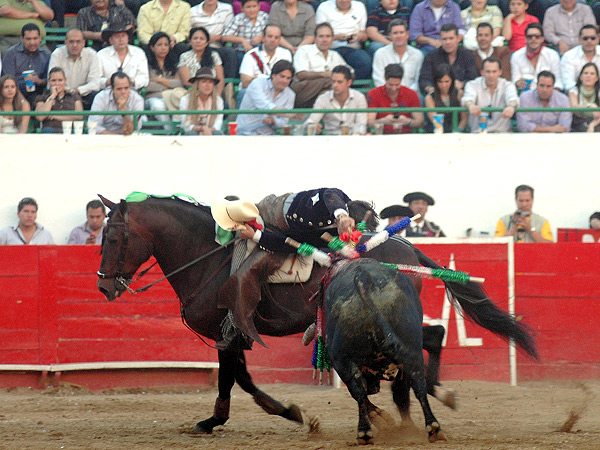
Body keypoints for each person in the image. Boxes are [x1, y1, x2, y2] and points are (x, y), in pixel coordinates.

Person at [211, 188, 355, 347]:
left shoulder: (331, 236)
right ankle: (236, 327)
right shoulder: (333, 204)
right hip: (271, 212)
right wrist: (341, 215)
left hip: (277, 224)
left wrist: (255, 236)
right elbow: (330, 193)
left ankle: (239, 328)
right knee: (245, 271)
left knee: (245, 273)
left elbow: (290, 243)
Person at [291, 22, 348, 108]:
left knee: (331, 88)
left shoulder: (335, 55)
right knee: (331, 82)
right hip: (304, 93)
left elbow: (349, 72)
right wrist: (324, 75)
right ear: (315, 38)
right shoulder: (304, 50)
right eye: (321, 36)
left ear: (332, 39)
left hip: (326, 92)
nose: (324, 40)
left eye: (328, 36)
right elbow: (301, 75)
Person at [303, 64, 368, 135]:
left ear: (349, 82)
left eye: (339, 82)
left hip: (353, 138)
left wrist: (355, 137)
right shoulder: (323, 98)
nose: (335, 85)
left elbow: (361, 124)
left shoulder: (359, 97)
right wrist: (312, 126)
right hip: (330, 138)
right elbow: (312, 120)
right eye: (333, 81)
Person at [315, 0, 371, 80]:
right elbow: (319, 33)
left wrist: (359, 36)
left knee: (365, 62)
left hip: (353, 48)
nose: (344, 1)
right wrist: (335, 37)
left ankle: (350, 84)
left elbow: (364, 35)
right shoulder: (324, 7)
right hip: (330, 48)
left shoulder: (359, 6)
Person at [237, 59, 295, 135]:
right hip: (245, 134)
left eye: (288, 78)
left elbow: (284, 122)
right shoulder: (257, 84)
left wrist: (274, 121)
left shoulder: (291, 94)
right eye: (282, 76)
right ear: (273, 75)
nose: (285, 81)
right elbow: (265, 105)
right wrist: (290, 114)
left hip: (269, 136)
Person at [48, 28, 101, 110]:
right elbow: (52, 80)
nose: (75, 45)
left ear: (83, 43)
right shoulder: (57, 54)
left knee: (96, 95)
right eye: (71, 42)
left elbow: (95, 84)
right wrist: (66, 91)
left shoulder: (91, 54)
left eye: (78, 41)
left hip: (84, 95)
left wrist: (76, 90)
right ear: (65, 42)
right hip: (62, 94)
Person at [419, 23, 478, 96]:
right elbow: (424, 80)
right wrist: (431, 90)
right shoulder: (431, 56)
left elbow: (473, 78)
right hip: (437, 95)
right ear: (440, 40)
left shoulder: (468, 55)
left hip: (462, 94)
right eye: (444, 39)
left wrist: (462, 84)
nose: (448, 42)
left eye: (451, 38)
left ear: (458, 38)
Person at [462, 57, 518, 133]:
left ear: (500, 72)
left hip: (502, 134)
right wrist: (471, 106)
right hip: (478, 134)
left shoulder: (508, 85)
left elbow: (513, 99)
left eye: (494, 72)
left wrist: (511, 106)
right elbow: (468, 98)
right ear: (482, 72)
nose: (491, 75)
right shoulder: (472, 84)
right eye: (488, 72)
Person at [1, 23, 50, 106]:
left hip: (37, 93)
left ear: (40, 38)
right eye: (28, 39)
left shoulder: (46, 55)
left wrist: (39, 81)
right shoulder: (11, 53)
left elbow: (50, 80)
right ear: (22, 38)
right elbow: (7, 79)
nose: (32, 42)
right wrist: (22, 100)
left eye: (35, 38)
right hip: (14, 93)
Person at [367, 63, 424, 134]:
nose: (393, 88)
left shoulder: (411, 94)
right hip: (382, 136)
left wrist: (407, 121)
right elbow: (369, 122)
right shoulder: (374, 93)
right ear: (385, 79)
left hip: (406, 136)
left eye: (397, 85)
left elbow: (420, 122)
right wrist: (383, 121)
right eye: (390, 85)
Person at [145, 31, 184, 126]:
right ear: (152, 47)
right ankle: (169, 131)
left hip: (171, 96)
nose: (163, 48)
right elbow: (146, 85)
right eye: (159, 45)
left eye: (166, 45)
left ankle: (178, 129)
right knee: (158, 106)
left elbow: (179, 83)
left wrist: (159, 80)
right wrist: (167, 85)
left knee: (179, 102)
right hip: (153, 97)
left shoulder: (174, 63)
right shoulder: (145, 64)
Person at [190, 0, 237, 78]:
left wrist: (217, 37)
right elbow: (189, 34)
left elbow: (228, 32)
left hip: (217, 46)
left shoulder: (227, 9)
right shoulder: (193, 11)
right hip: (198, 46)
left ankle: (229, 83)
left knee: (230, 52)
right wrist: (202, 39)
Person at [372, 19, 423, 90]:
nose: (399, 36)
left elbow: (418, 80)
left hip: (411, 93)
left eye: (401, 32)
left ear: (407, 34)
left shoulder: (417, 54)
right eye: (395, 33)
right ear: (390, 35)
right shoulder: (380, 54)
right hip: (387, 93)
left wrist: (407, 94)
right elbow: (378, 80)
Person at [511, 23, 562, 92]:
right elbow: (515, 79)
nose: (533, 39)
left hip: (548, 94)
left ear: (542, 39)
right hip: (525, 94)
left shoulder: (552, 55)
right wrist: (517, 83)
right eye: (530, 36)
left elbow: (558, 81)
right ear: (525, 39)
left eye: (537, 36)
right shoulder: (516, 56)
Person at [239, 25, 293, 89]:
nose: (273, 40)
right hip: (254, 90)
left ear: (280, 40)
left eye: (276, 37)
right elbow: (245, 83)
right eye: (270, 36)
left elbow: (286, 79)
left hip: (277, 91)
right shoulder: (250, 55)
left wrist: (258, 77)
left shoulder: (286, 54)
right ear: (263, 38)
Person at [97, 24, 149, 90]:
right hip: (108, 91)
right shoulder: (101, 54)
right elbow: (96, 79)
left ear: (128, 38)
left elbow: (144, 78)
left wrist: (129, 82)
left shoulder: (139, 53)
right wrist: (109, 81)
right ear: (111, 40)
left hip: (132, 91)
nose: (121, 40)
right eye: (117, 37)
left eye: (123, 36)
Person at [35, 67, 84, 133]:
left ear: (65, 80)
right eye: (53, 80)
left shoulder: (74, 96)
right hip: (50, 130)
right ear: (49, 81)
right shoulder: (42, 97)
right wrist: (52, 96)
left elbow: (79, 116)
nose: (57, 83)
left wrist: (54, 116)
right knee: (47, 131)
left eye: (60, 80)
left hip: (69, 130)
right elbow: (40, 117)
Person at [178, 27, 224, 95]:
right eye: (195, 38)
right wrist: (204, 90)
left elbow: (220, 80)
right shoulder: (184, 56)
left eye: (202, 39)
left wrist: (217, 96)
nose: (198, 41)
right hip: (193, 92)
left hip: (212, 93)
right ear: (190, 41)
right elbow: (186, 81)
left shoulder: (214, 55)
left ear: (207, 42)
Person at [221, 0, 270, 66]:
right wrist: (243, 40)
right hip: (242, 51)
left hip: (261, 50)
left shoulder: (264, 17)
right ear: (242, 8)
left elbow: (272, 31)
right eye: (248, 7)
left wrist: (262, 36)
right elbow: (225, 37)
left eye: (254, 6)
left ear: (259, 6)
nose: (252, 10)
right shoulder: (238, 19)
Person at [179, 67, 224, 135]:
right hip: (194, 131)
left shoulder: (218, 100)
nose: (207, 85)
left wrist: (208, 130)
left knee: (218, 133)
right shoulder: (186, 99)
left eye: (210, 82)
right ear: (197, 84)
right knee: (191, 134)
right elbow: (186, 124)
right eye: (204, 81)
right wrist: (202, 128)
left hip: (210, 131)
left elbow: (218, 123)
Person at [424, 63, 467, 133]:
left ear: (452, 80)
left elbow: (464, 119)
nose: (443, 85)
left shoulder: (459, 94)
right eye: (440, 82)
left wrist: (457, 132)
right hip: (436, 134)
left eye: (447, 81)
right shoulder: (429, 98)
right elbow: (435, 120)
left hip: (456, 134)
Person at [560, 25, 600, 93]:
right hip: (576, 93)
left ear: (598, 38)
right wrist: (585, 92)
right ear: (579, 39)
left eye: (593, 38)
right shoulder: (569, 56)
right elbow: (568, 83)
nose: (589, 41)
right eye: (585, 38)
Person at [568, 62, 600, 132]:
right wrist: (590, 106)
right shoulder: (574, 91)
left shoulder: (599, 91)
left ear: (597, 78)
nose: (588, 76)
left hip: (596, 122)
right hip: (578, 123)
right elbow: (574, 108)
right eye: (586, 73)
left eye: (592, 74)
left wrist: (592, 124)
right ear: (581, 77)